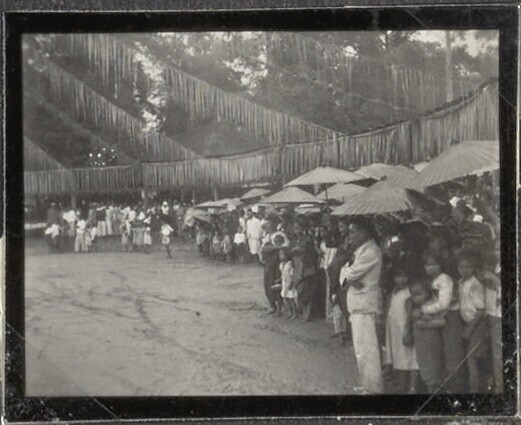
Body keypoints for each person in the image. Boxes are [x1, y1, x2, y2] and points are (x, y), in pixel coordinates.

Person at [339, 217, 384, 394]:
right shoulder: (361, 250)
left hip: (365, 305)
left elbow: (350, 274)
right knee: (361, 349)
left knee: (368, 350)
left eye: (354, 231)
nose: (350, 235)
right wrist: (348, 275)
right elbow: (345, 272)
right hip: (359, 304)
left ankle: (373, 388)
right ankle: (367, 384)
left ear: (365, 232)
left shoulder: (371, 252)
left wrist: (348, 276)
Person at [422, 252, 465, 393]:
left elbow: (443, 303)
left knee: (452, 350)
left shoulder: (444, 279)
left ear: (441, 265)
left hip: (451, 317)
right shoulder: (433, 280)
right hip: (442, 316)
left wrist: (425, 309)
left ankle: (456, 385)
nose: (430, 267)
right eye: (428, 265)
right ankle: (445, 382)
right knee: (443, 349)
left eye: (434, 264)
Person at [383, 264, 419, 394]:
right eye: (397, 276)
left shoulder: (408, 293)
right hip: (394, 328)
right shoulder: (394, 292)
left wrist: (408, 329)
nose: (400, 279)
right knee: (399, 357)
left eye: (404, 276)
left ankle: (410, 387)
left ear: (408, 277)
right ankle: (400, 383)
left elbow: (409, 313)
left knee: (409, 357)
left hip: (404, 327)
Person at [406, 280, 446, 393]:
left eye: (419, 294)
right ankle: (429, 388)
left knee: (433, 365)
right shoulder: (414, 308)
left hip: (431, 342)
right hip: (421, 343)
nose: (416, 298)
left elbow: (442, 321)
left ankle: (433, 390)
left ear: (427, 293)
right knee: (424, 365)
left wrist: (425, 324)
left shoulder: (432, 306)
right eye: (414, 295)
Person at [457, 253, 488, 393]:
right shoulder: (460, 282)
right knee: (468, 356)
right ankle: (471, 385)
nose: (464, 270)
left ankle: (475, 389)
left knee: (472, 356)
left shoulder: (475, 285)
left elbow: (480, 310)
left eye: (468, 267)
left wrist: (470, 328)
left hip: (476, 323)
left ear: (473, 268)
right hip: (466, 322)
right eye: (461, 267)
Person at [481, 242, 502, 393]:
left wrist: (495, 280)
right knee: (492, 351)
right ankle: (495, 383)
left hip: (500, 315)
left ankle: (501, 385)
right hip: (491, 314)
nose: (498, 252)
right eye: (497, 248)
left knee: (499, 351)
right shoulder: (493, 268)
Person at [327, 218, 351, 339]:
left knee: (346, 304)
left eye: (342, 226)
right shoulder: (340, 240)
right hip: (336, 275)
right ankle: (340, 329)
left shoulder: (351, 242)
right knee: (338, 303)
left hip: (344, 274)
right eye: (339, 227)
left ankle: (348, 331)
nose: (341, 229)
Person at [291, 217, 317, 322]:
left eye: (297, 228)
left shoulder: (308, 239)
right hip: (297, 265)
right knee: (299, 290)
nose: (295, 230)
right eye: (294, 228)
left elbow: (312, 254)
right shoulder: (294, 240)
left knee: (306, 290)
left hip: (306, 266)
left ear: (303, 228)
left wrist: (302, 250)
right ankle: (303, 312)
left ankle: (307, 313)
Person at [279, 248, 298, 319]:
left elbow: (292, 274)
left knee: (291, 298)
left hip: (290, 283)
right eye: (280, 254)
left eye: (282, 254)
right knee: (285, 297)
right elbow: (283, 274)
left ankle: (295, 313)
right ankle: (289, 312)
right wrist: (279, 280)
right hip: (284, 282)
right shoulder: (281, 264)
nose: (281, 256)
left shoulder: (290, 264)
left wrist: (291, 283)